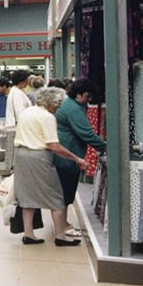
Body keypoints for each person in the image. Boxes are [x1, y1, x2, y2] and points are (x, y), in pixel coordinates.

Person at [13, 87, 88, 246]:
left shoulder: (27, 112)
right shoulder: (47, 117)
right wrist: (77, 159)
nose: (59, 106)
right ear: (52, 103)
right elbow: (53, 145)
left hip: (21, 155)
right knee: (56, 196)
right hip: (39, 157)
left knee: (28, 196)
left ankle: (28, 234)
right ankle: (60, 235)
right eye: (58, 103)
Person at [55, 78, 106, 237]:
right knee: (65, 191)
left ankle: (63, 224)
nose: (88, 99)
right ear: (79, 94)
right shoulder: (74, 109)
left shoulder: (71, 104)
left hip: (66, 153)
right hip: (68, 154)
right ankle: (62, 227)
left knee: (64, 191)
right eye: (87, 96)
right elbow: (86, 133)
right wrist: (105, 146)